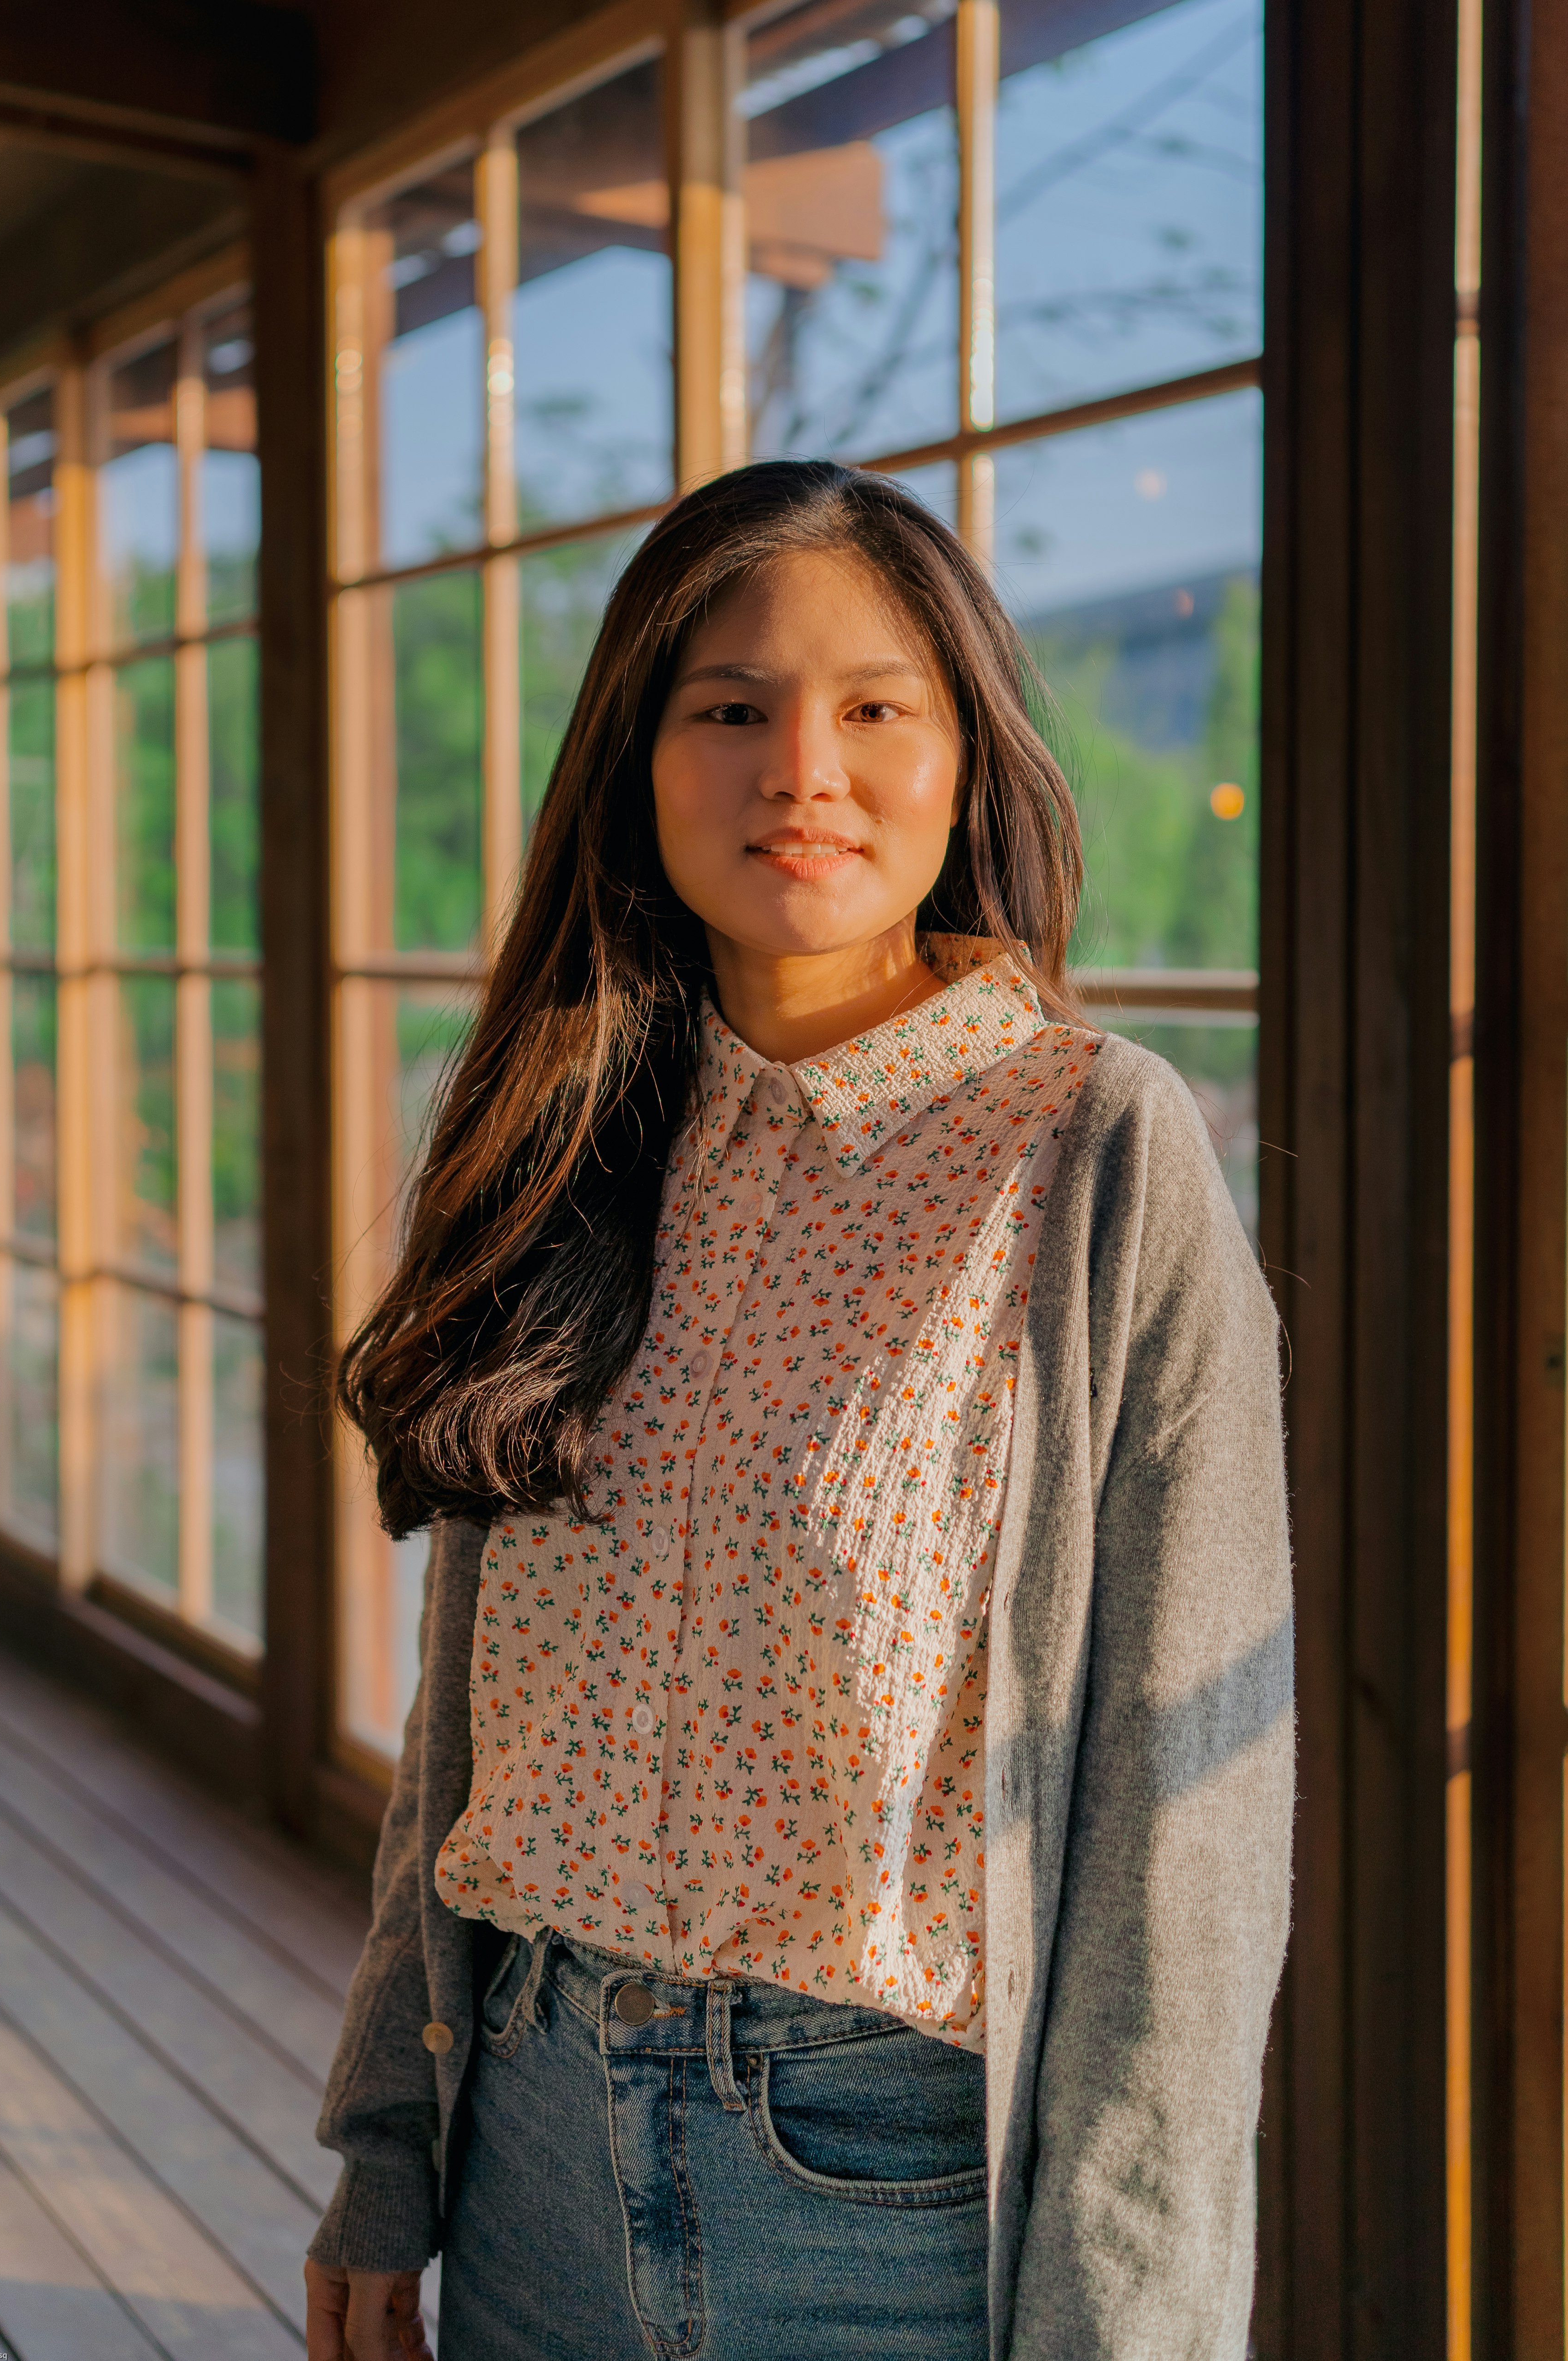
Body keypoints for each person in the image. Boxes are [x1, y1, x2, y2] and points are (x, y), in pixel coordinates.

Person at [303, 459, 1293, 2361]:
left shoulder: (1092, 1155)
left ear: (966, 753)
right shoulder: (565, 1131)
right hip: (531, 2155)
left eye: (873, 708)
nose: (800, 769)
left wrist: (1130, 2324)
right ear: (639, 757)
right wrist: (385, 2144)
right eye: (730, 708)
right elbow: (470, 1726)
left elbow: (1191, 1831)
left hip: (892, 2202)